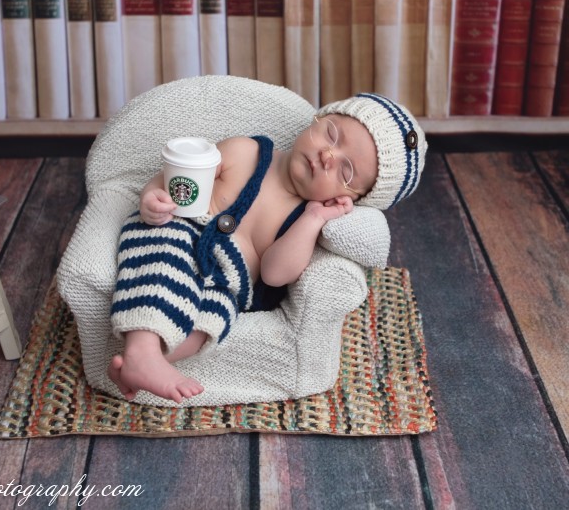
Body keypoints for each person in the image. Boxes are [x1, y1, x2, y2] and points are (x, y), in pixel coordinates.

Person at [107, 93, 428, 403]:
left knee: (212, 317)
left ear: (349, 200)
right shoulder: (244, 151)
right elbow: (179, 177)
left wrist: (314, 218)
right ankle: (142, 352)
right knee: (163, 258)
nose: (328, 156)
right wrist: (153, 198)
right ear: (317, 119)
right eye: (331, 135)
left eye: (346, 172)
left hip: (227, 281)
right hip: (181, 230)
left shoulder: (303, 220)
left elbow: (275, 275)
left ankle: (145, 362)